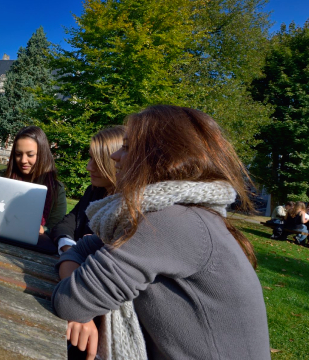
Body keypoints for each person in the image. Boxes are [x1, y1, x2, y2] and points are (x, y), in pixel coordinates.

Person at [52, 105, 269, 360]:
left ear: (162, 157)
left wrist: (83, 302)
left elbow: (69, 301)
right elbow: (83, 253)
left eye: (128, 147)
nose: (115, 156)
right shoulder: (179, 213)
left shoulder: (173, 221)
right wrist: (84, 303)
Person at [51, 126, 124, 254]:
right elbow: (65, 224)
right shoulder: (94, 191)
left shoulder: (128, 207)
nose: (88, 167)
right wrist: (68, 246)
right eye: (90, 158)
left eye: (98, 161)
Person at [3, 126, 67, 234]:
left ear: (42, 155)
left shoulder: (56, 190)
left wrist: (43, 230)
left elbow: (56, 228)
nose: (23, 160)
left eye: (30, 155)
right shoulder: (1, 178)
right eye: (18, 154)